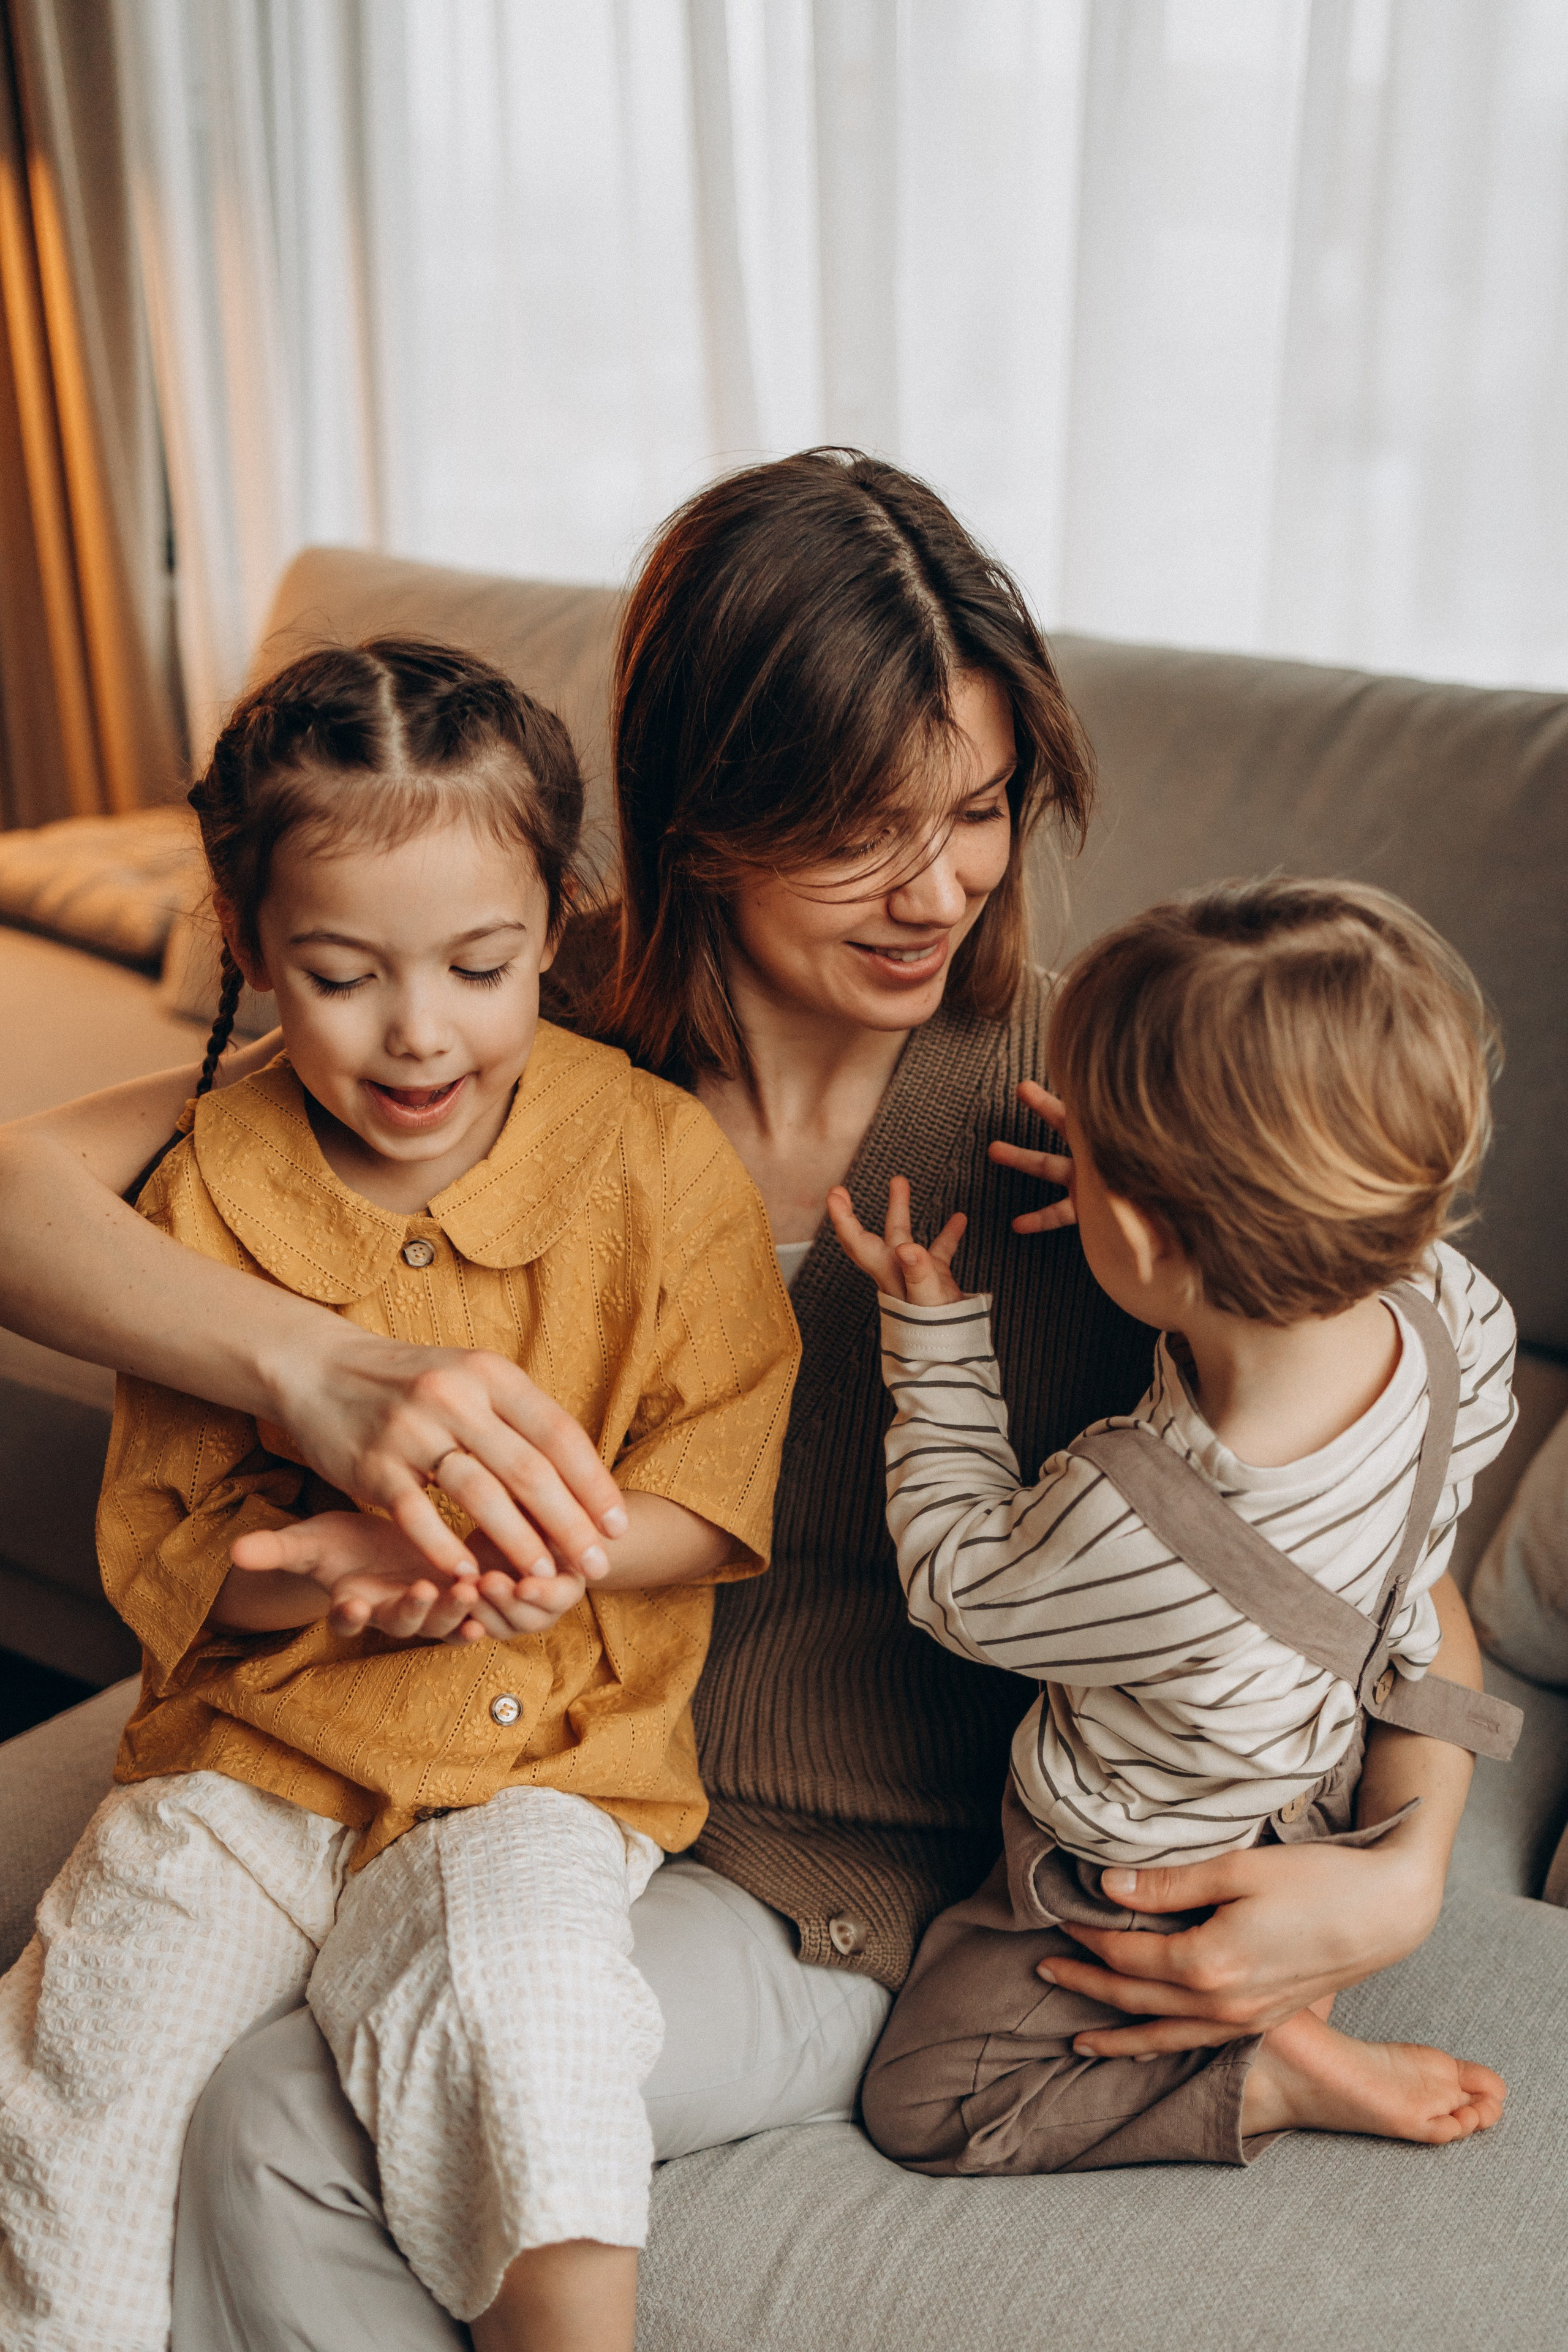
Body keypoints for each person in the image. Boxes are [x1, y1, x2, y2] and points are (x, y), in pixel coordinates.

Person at [0, 453, 1495, 2350]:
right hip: (473, 1780)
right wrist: (318, 1368)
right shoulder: (518, 1027)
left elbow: (1366, 1521)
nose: (942, 885)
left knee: (290, 2122)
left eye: (981, 810)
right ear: (710, 804)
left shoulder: (1088, 1129)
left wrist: (1406, 1871)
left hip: (826, 1877)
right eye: (865, 828)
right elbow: (27, 1194)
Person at [0, 638, 799, 2352]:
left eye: (482, 966)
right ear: (249, 943)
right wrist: (338, 1566)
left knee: (535, 2012)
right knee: (81, 2072)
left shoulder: (657, 1160)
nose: (419, 1031)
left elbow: (713, 1485)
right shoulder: (207, 1179)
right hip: (249, 1763)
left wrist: (534, 1554)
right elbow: (188, 1556)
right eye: (344, 973)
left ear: (556, 919)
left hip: (539, 1768)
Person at [830, 876, 1525, 2175]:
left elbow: (955, 1578)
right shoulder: (1454, 1317)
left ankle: (1261, 2070)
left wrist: (932, 1342)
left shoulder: (1129, 1517)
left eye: (1086, 1161)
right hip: (1320, 1796)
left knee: (925, 2104)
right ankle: (1293, 1999)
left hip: (1131, 1883)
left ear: (1148, 1234)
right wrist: (1128, 1208)